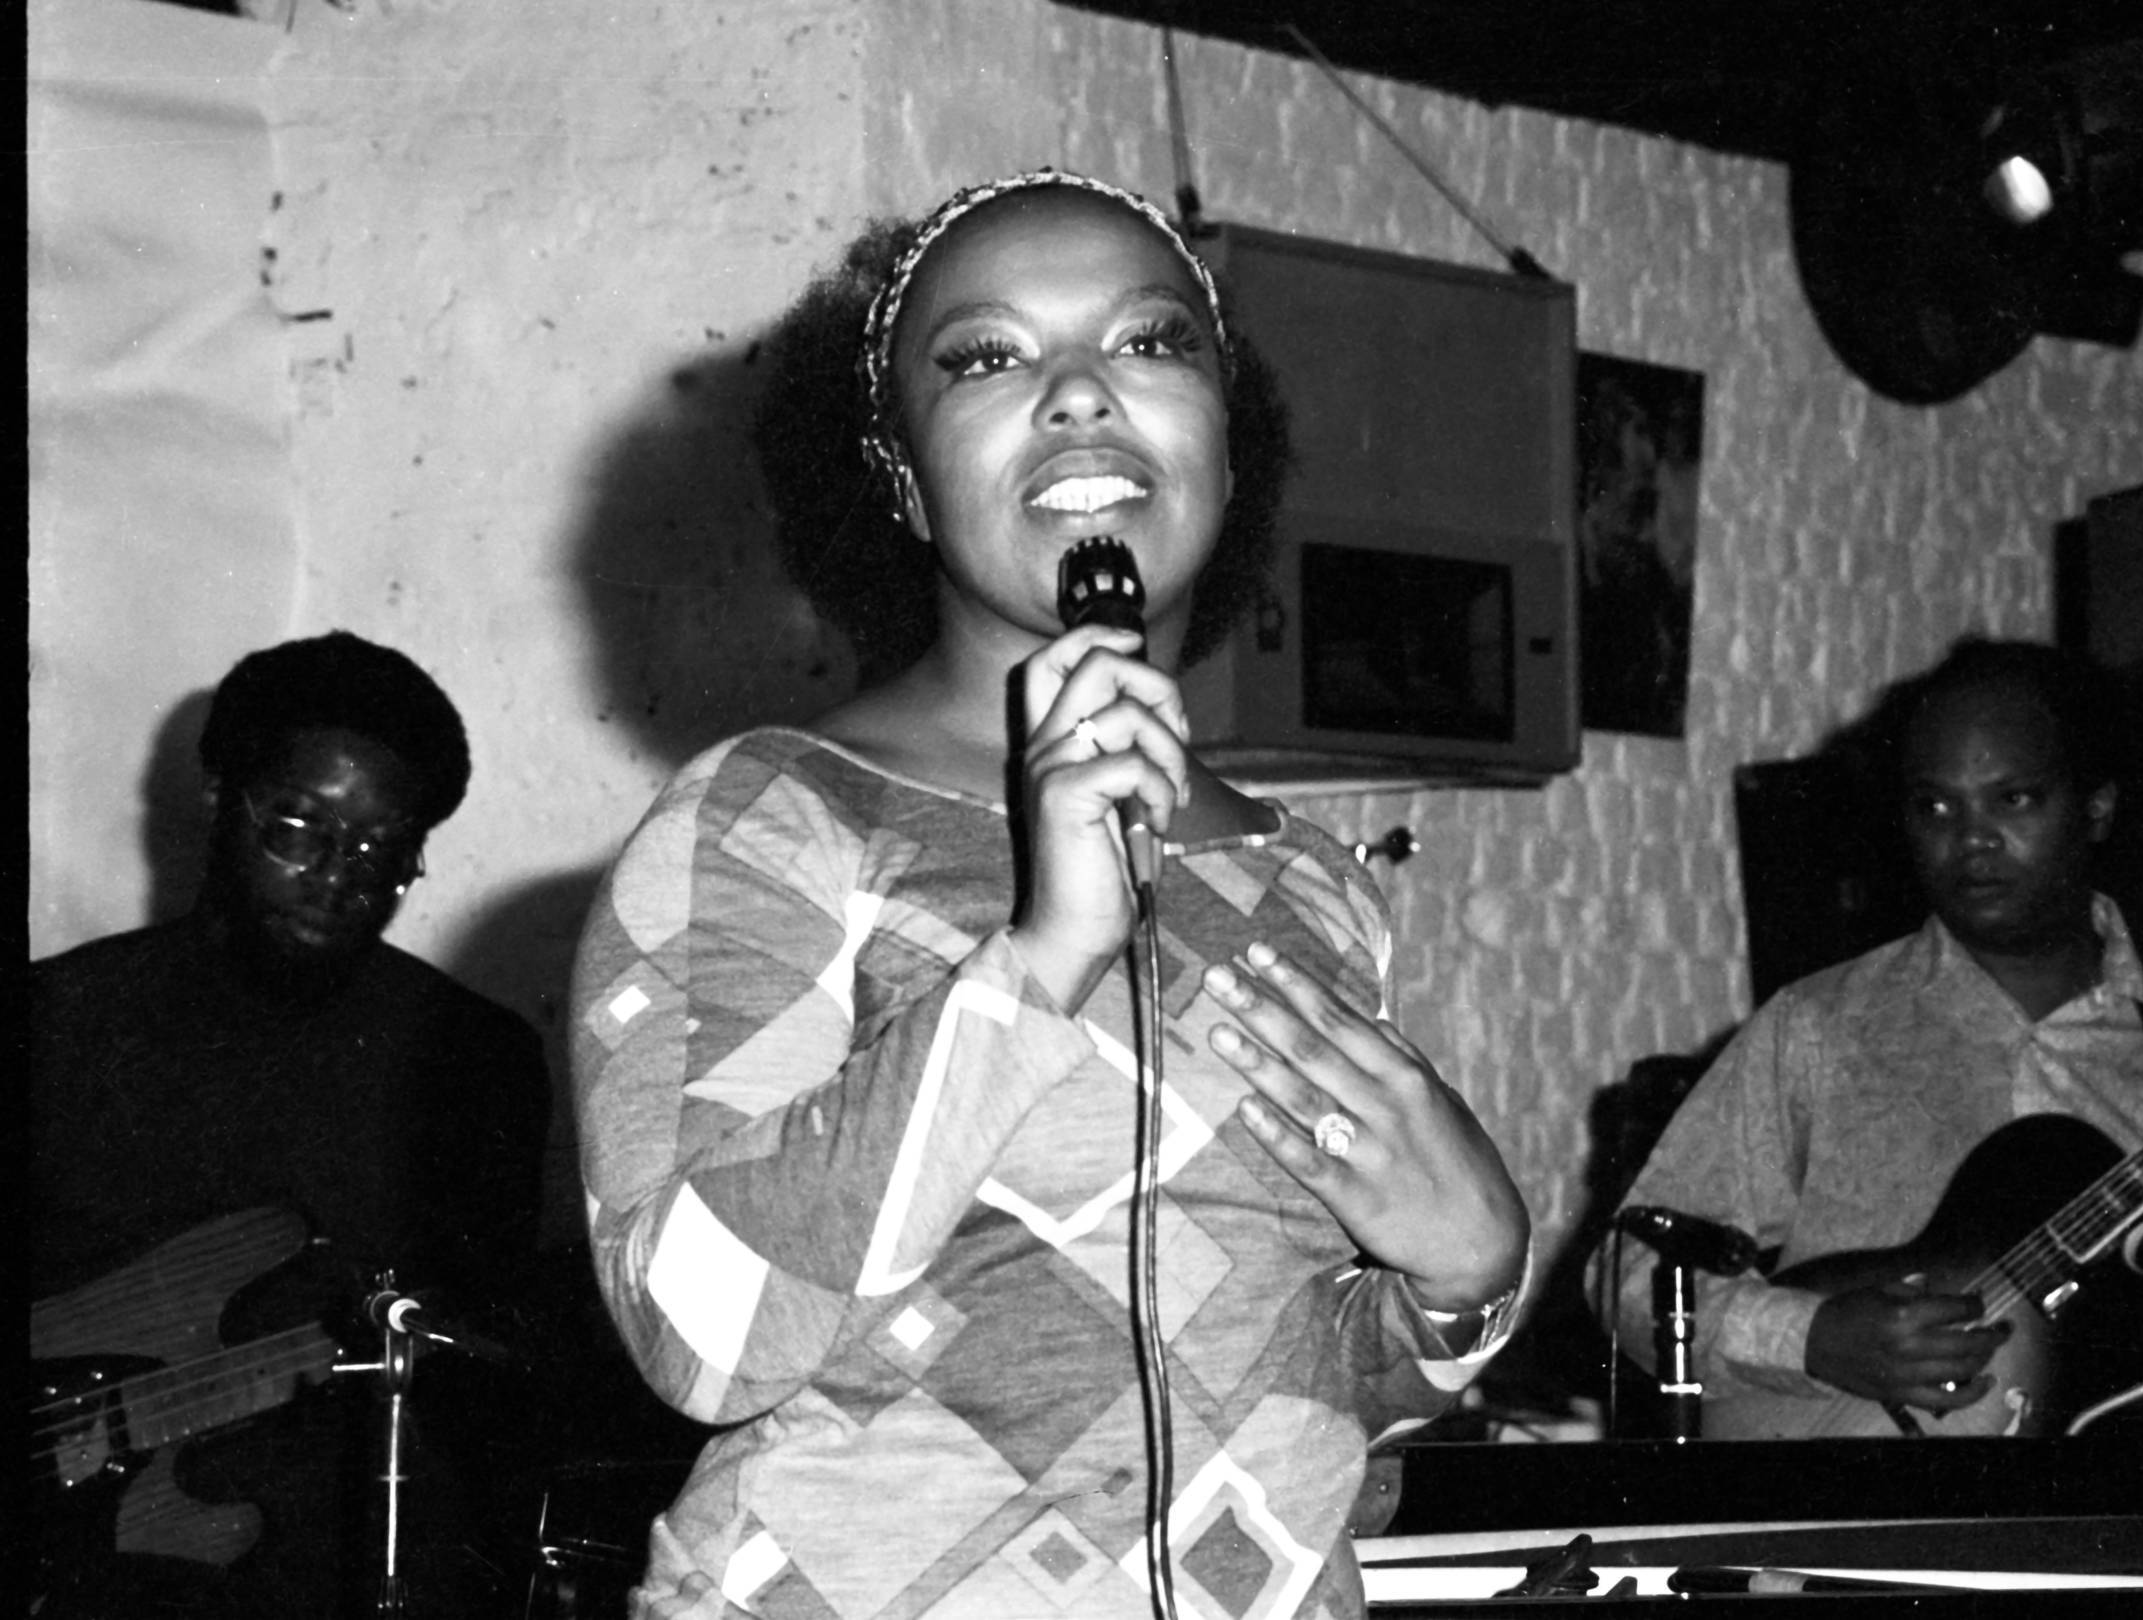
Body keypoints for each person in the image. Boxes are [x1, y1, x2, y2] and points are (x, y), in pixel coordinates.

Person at [571, 170, 1532, 1619]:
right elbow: (699, 1335)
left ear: (1226, 444)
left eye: (1149, 342)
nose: (1081, 392)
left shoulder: (1313, 883)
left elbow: (1289, 1406)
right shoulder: (771, 816)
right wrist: (1041, 958)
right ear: (901, 475)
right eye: (988, 357)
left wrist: (1466, 1283)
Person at [1596, 636, 2143, 1438]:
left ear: (2097, 808)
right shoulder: (1816, 1028)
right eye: (1935, 806)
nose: (1972, 839)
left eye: (2014, 799)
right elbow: (1630, 1271)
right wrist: (1811, 1338)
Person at [29, 630, 552, 1616]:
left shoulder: (474, 1057)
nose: (338, 873)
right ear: (217, 797)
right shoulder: (57, 1019)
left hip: (341, 1570)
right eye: (299, 827)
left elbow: (488, 1389)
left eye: (382, 849)